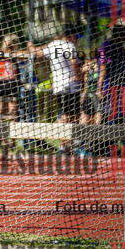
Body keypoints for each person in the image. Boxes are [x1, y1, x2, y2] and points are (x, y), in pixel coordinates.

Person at [18, 25, 82, 154]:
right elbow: (74, 62)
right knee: (72, 116)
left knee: (65, 115)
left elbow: (37, 52)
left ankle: (66, 146)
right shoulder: (69, 46)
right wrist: (78, 76)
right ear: (70, 36)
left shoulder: (53, 45)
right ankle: (69, 146)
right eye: (75, 37)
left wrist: (30, 46)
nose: (76, 40)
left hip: (58, 86)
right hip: (70, 85)